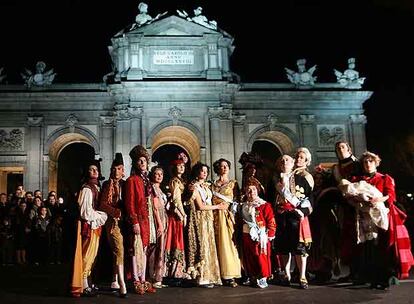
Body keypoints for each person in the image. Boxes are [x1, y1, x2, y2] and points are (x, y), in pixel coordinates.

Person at [348, 151, 414, 289]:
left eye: (370, 161)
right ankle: (370, 277)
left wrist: (379, 199)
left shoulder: (384, 178)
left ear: (376, 163)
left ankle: (384, 278)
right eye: (365, 162)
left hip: (382, 216)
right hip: (364, 217)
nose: (367, 164)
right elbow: (350, 196)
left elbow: (390, 196)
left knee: (382, 248)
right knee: (368, 248)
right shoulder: (357, 180)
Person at [274, 154, 313, 289]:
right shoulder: (273, 181)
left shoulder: (301, 179)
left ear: (293, 163)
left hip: (296, 217)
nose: (284, 162)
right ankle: (286, 274)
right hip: (280, 218)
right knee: (283, 248)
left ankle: (302, 276)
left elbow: (309, 198)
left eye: (287, 160)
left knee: (299, 248)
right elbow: (267, 199)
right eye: (281, 160)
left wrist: (303, 212)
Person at [71, 160, 107, 297]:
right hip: (89, 224)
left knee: (92, 256)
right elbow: (85, 212)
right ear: (87, 172)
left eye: (96, 169)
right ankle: (83, 285)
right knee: (86, 255)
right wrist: (101, 215)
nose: (95, 171)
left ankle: (88, 282)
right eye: (92, 169)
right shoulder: (87, 188)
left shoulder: (96, 187)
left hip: (95, 224)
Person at [186, 162, 227, 288]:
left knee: (210, 245)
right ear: (197, 172)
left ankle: (212, 276)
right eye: (202, 171)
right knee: (203, 245)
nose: (204, 173)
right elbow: (201, 206)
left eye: (206, 171)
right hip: (200, 218)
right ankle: (202, 277)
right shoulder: (194, 187)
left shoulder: (206, 186)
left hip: (208, 219)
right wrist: (218, 207)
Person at [124, 145, 157, 295]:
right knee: (135, 251)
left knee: (144, 250)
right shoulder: (132, 180)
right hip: (138, 219)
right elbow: (130, 203)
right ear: (135, 164)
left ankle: (144, 279)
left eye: (144, 160)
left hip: (147, 220)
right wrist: (134, 221)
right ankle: (136, 280)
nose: (142, 163)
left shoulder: (147, 181)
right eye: (139, 161)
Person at [332, 140, 363, 282]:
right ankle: (353, 271)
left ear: (349, 150)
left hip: (358, 205)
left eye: (343, 147)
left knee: (360, 237)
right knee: (348, 239)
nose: (340, 149)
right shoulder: (337, 167)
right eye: (337, 148)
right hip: (345, 206)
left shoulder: (358, 164)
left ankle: (362, 271)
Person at [99, 153, 127, 298]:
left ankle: (114, 279)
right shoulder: (106, 185)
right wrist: (116, 212)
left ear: (123, 171)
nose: (116, 171)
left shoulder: (125, 184)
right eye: (114, 168)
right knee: (119, 249)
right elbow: (102, 204)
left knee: (119, 251)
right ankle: (121, 283)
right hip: (112, 221)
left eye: (119, 169)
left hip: (124, 223)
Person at [241, 178, 276, 288]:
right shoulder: (243, 205)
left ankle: (263, 276)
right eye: (249, 190)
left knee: (260, 255)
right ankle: (253, 275)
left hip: (260, 235)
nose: (251, 193)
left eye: (254, 190)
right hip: (247, 234)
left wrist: (270, 234)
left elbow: (271, 221)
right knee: (249, 256)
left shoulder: (264, 205)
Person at [211, 158, 242, 287]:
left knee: (227, 244)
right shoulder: (212, 184)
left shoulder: (233, 184)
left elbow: (237, 200)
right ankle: (215, 273)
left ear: (229, 168)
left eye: (225, 166)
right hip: (212, 215)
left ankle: (229, 275)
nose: (223, 168)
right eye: (221, 166)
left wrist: (230, 209)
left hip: (227, 216)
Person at [164, 153, 190, 286]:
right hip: (176, 215)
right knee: (175, 240)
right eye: (179, 166)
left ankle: (178, 271)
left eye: (183, 166)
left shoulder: (181, 181)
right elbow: (176, 199)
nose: (181, 167)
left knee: (179, 240)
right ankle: (173, 273)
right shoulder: (175, 181)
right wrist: (183, 214)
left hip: (180, 212)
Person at [148, 165, 168, 288]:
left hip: (163, 217)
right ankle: (153, 277)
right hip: (157, 219)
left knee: (161, 247)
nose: (159, 176)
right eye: (157, 174)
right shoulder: (153, 188)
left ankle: (158, 277)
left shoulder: (160, 189)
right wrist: (160, 224)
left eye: (161, 174)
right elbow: (155, 208)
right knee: (156, 248)